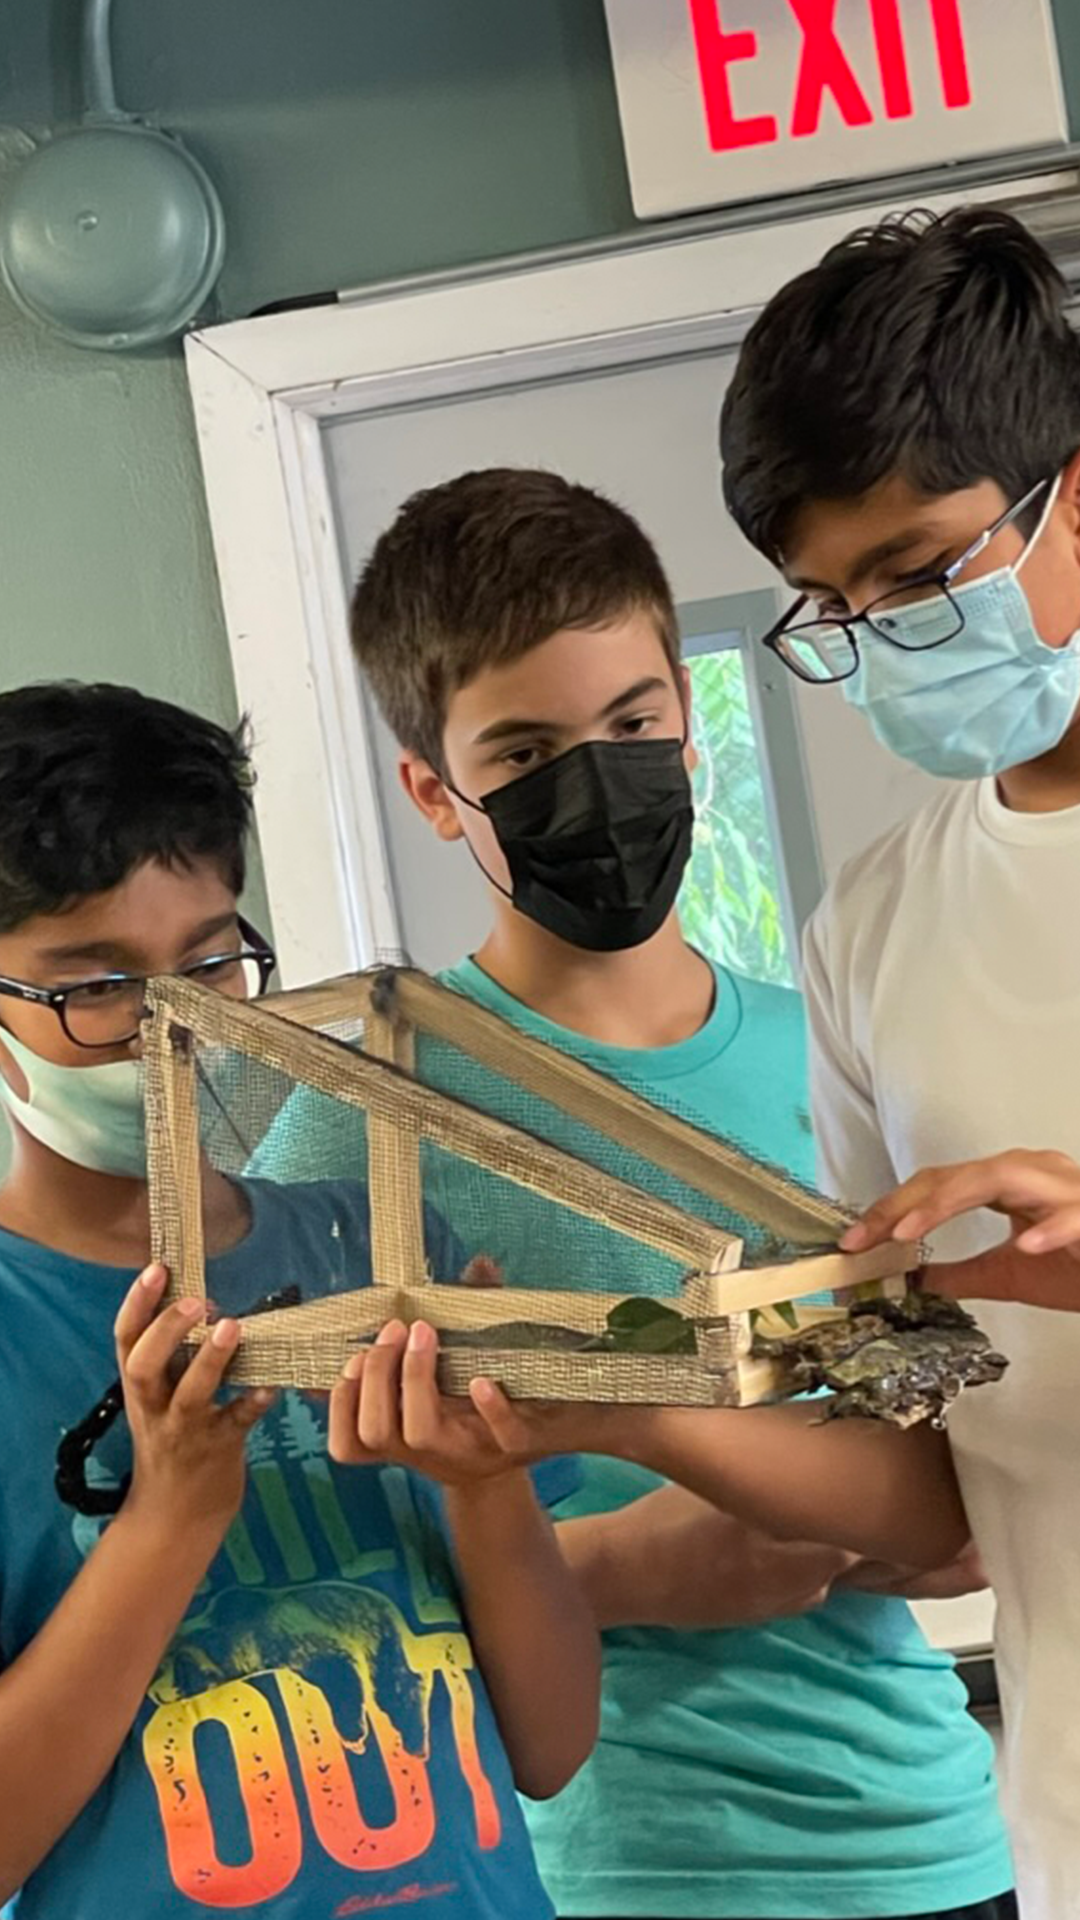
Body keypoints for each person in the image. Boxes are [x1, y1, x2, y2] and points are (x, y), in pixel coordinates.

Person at [330, 467, 1016, 1920]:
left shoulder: (829, 1048)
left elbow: (959, 1505)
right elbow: (306, 1572)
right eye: (521, 751)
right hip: (613, 1870)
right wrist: (612, 1570)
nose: (598, 776)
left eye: (633, 724)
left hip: (932, 1840)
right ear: (430, 791)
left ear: (689, 716)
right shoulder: (364, 1123)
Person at [0, 681, 598, 1917]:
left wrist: (486, 1486)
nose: (176, 1025)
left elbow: (548, 1744)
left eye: (211, 959)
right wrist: (165, 1524)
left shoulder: (378, 1250)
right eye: (97, 986)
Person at [711, 204, 1080, 1918]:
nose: (880, 639)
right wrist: (607, 1397)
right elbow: (926, 1491)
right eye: (831, 604)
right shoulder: (869, 929)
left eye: (923, 574)